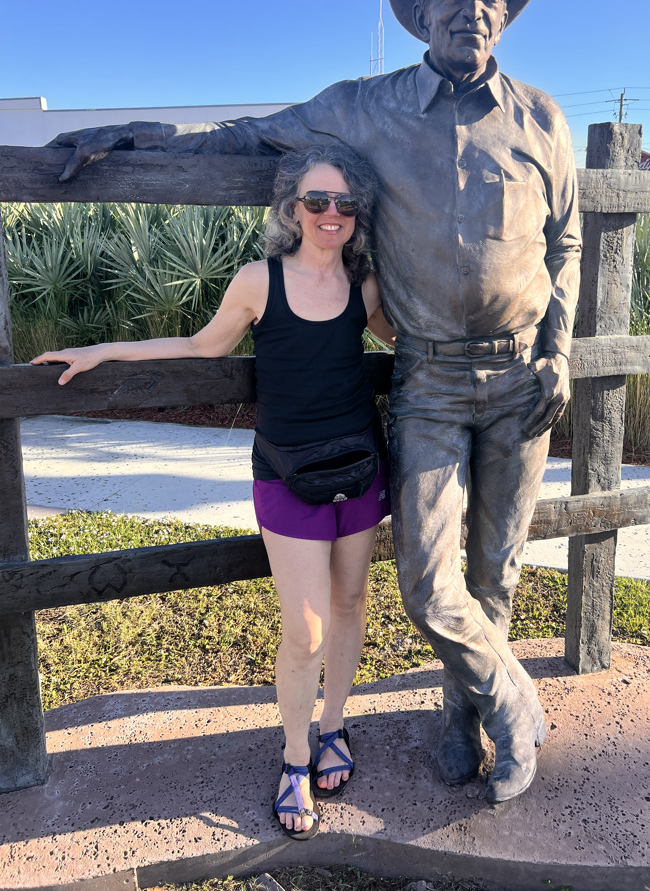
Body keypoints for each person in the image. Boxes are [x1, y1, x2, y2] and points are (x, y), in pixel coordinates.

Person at [49, 0, 581, 803]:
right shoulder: (363, 110)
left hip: (525, 373)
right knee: (425, 581)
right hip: (431, 382)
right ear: (420, 11)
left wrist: (561, 346)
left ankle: (469, 720)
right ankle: (517, 703)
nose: (472, 12)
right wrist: (131, 136)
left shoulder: (542, 120)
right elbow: (250, 133)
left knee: (497, 571)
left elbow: (566, 241)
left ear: (507, 12)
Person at [33, 145, 395, 839]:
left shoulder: (366, 285)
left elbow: (404, 336)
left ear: (358, 215)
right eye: (317, 201)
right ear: (292, 208)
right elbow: (204, 347)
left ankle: (335, 727)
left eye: (346, 204)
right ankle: (295, 760)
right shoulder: (258, 281)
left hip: (360, 465)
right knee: (307, 629)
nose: (331, 214)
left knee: (352, 604)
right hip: (285, 472)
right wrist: (102, 351)